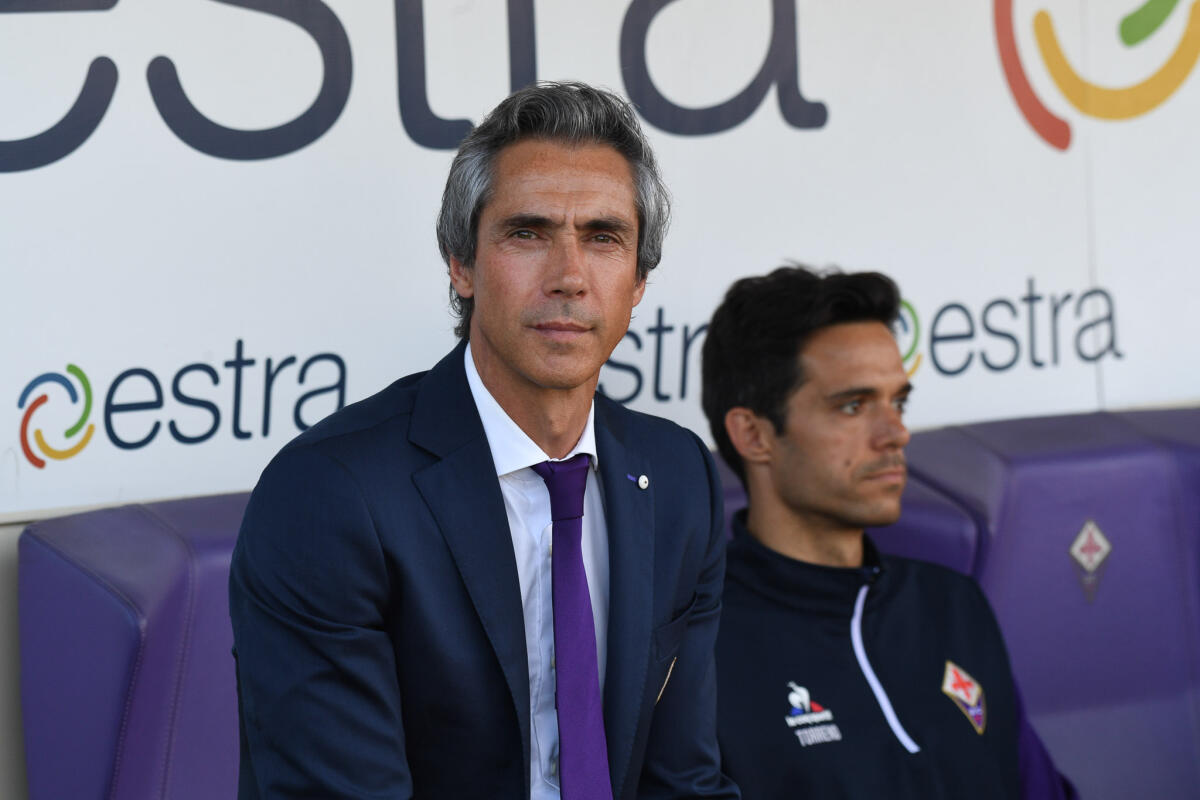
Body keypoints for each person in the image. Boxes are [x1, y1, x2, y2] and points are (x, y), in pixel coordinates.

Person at [229, 82, 739, 800]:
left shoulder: (678, 475)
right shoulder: (329, 495)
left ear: (638, 281)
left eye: (602, 238)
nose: (568, 278)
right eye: (527, 233)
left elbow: (683, 780)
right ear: (461, 265)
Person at [700, 265, 1076, 799]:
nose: (895, 433)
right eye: (853, 406)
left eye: (898, 402)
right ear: (754, 434)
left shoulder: (953, 605)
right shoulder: (696, 646)